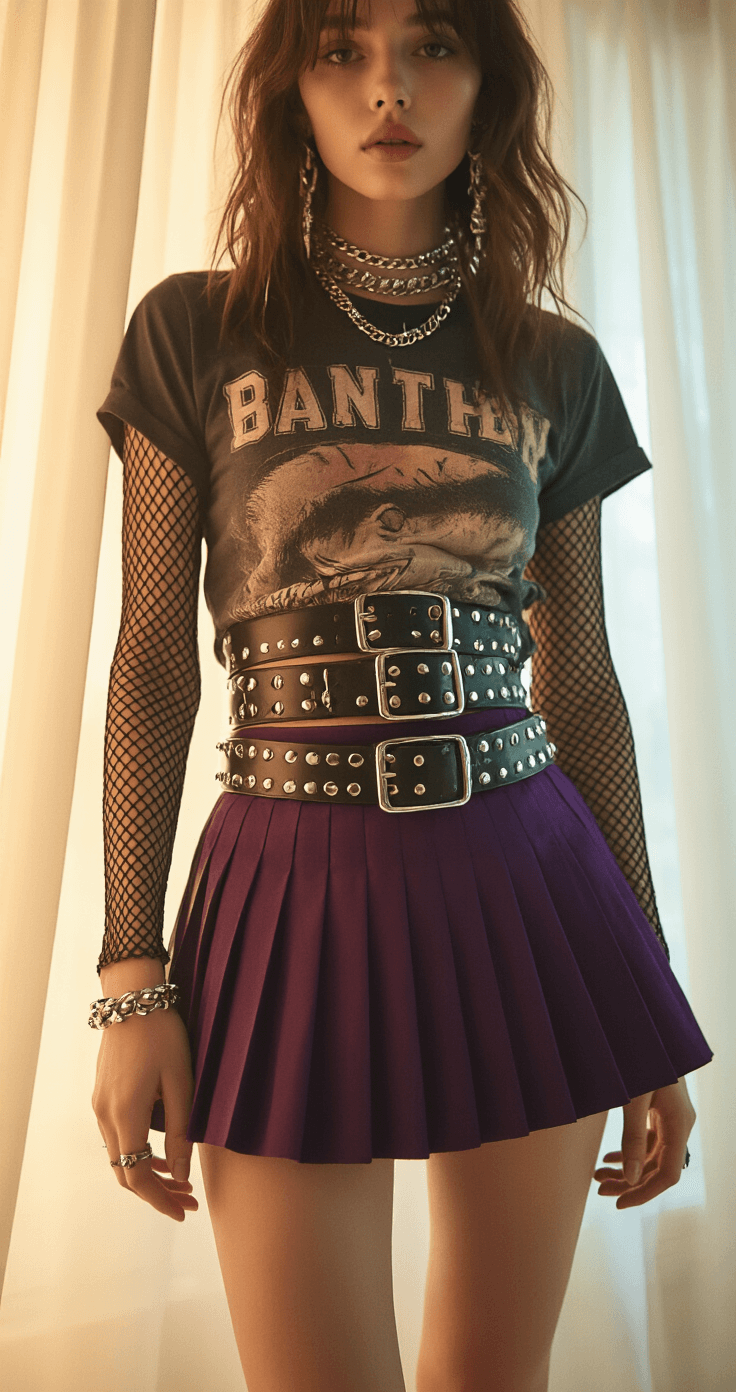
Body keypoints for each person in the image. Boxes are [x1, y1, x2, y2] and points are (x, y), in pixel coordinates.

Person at [90, 1, 713, 1388]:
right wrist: (134, 980)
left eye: (433, 44)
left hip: (535, 884)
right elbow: (148, 658)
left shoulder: (554, 363)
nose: (390, 87)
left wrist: (645, 990)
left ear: (488, 83)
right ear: (288, 88)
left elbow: (587, 680)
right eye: (342, 50)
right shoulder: (195, 331)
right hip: (285, 882)